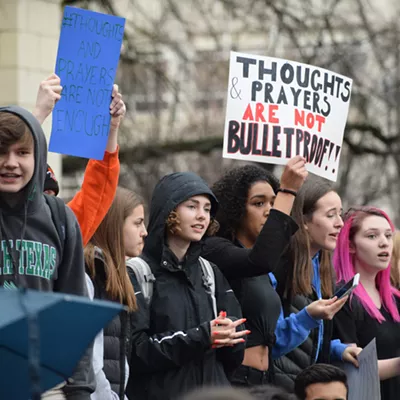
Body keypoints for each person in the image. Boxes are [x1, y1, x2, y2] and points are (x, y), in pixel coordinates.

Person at [207, 161, 350, 387]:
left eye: (274, 204)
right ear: (235, 208)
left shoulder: (268, 272)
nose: (269, 211)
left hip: (266, 383)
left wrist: (312, 322)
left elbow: (275, 341)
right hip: (235, 382)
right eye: (258, 203)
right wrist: (288, 191)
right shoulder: (219, 250)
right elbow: (260, 260)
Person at [127, 172, 247, 400]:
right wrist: (203, 336)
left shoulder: (210, 272)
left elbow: (236, 349)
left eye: (207, 209)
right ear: (169, 210)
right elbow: (136, 351)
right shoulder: (137, 271)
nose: (202, 216)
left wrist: (230, 337)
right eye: (192, 207)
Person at [0, 106, 94, 397]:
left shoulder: (58, 216)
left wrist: (79, 387)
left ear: (38, 156)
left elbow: (74, 306)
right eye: (1, 152)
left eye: (22, 153)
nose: (10, 163)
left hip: (48, 380)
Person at [272, 177, 361, 391]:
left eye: (340, 213)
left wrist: (337, 349)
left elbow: (309, 342)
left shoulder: (321, 266)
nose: (340, 222)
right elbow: (271, 341)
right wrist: (308, 317)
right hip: (278, 389)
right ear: (303, 221)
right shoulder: (278, 264)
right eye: (331, 215)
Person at [32, 73, 123, 246]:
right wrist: (38, 115)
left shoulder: (63, 229)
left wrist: (110, 129)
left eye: (52, 195)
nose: (48, 202)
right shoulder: (6, 222)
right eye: (40, 195)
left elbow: (98, 189)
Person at [85, 187, 147, 399]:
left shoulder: (115, 275)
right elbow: (90, 356)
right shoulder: (91, 271)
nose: (144, 231)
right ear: (114, 225)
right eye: (137, 223)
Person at [332, 206, 400, 399]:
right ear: (351, 245)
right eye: (372, 236)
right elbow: (355, 368)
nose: (384, 243)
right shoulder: (342, 297)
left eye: (388, 235)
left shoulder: (395, 299)